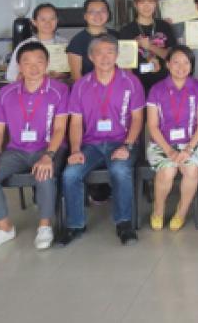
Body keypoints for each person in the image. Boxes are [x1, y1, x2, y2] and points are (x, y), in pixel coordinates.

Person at [0, 42, 68, 253]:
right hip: (16, 151)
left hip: (48, 148)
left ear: (47, 64)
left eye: (39, 62)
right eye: (27, 62)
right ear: (19, 65)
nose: (33, 67)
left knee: (44, 172)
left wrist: (48, 156)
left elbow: (60, 128)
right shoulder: (7, 93)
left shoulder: (59, 90)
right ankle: (4, 227)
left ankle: (44, 226)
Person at [58, 34, 145, 246]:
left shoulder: (131, 82)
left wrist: (127, 145)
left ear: (117, 55)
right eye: (99, 52)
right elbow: (76, 122)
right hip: (91, 145)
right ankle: (75, 224)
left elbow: (137, 119)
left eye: (110, 52)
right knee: (70, 174)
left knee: (119, 169)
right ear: (90, 56)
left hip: (122, 142)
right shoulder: (80, 85)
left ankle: (124, 223)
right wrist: (76, 150)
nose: (105, 57)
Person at [145, 45, 198, 231]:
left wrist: (188, 149)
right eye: (176, 62)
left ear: (191, 65)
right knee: (167, 171)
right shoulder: (157, 90)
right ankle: (158, 210)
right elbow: (153, 126)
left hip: (192, 141)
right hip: (162, 143)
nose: (181, 67)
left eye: (186, 62)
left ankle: (181, 212)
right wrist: (170, 151)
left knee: (191, 170)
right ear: (167, 64)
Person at [119, 0, 176, 92]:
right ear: (135, 5)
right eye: (142, 2)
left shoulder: (164, 26)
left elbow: (171, 56)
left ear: (156, 4)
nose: (147, 6)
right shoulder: (126, 30)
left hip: (164, 83)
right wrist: (132, 87)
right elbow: (125, 65)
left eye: (150, 2)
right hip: (138, 84)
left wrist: (150, 46)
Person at [6, 3, 69, 82]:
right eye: (43, 19)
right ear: (34, 22)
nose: (48, 23)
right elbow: (11, 75)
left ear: (57, 20)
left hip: (59, 90)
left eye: (52, 19)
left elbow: (72, 72)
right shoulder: (25, 45)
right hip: (33, 91)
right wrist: (32, 74)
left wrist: (62, 75)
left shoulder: (65, 44)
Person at [66, 0, 119, 80]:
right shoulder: (77, 41)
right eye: (92, 11)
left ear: (108, 14)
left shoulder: (118, 37)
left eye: (102, 11)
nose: (98, 15)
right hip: (89, 90)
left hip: (118, 88)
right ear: (85, 16)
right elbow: (76, 77)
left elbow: (126, 67)